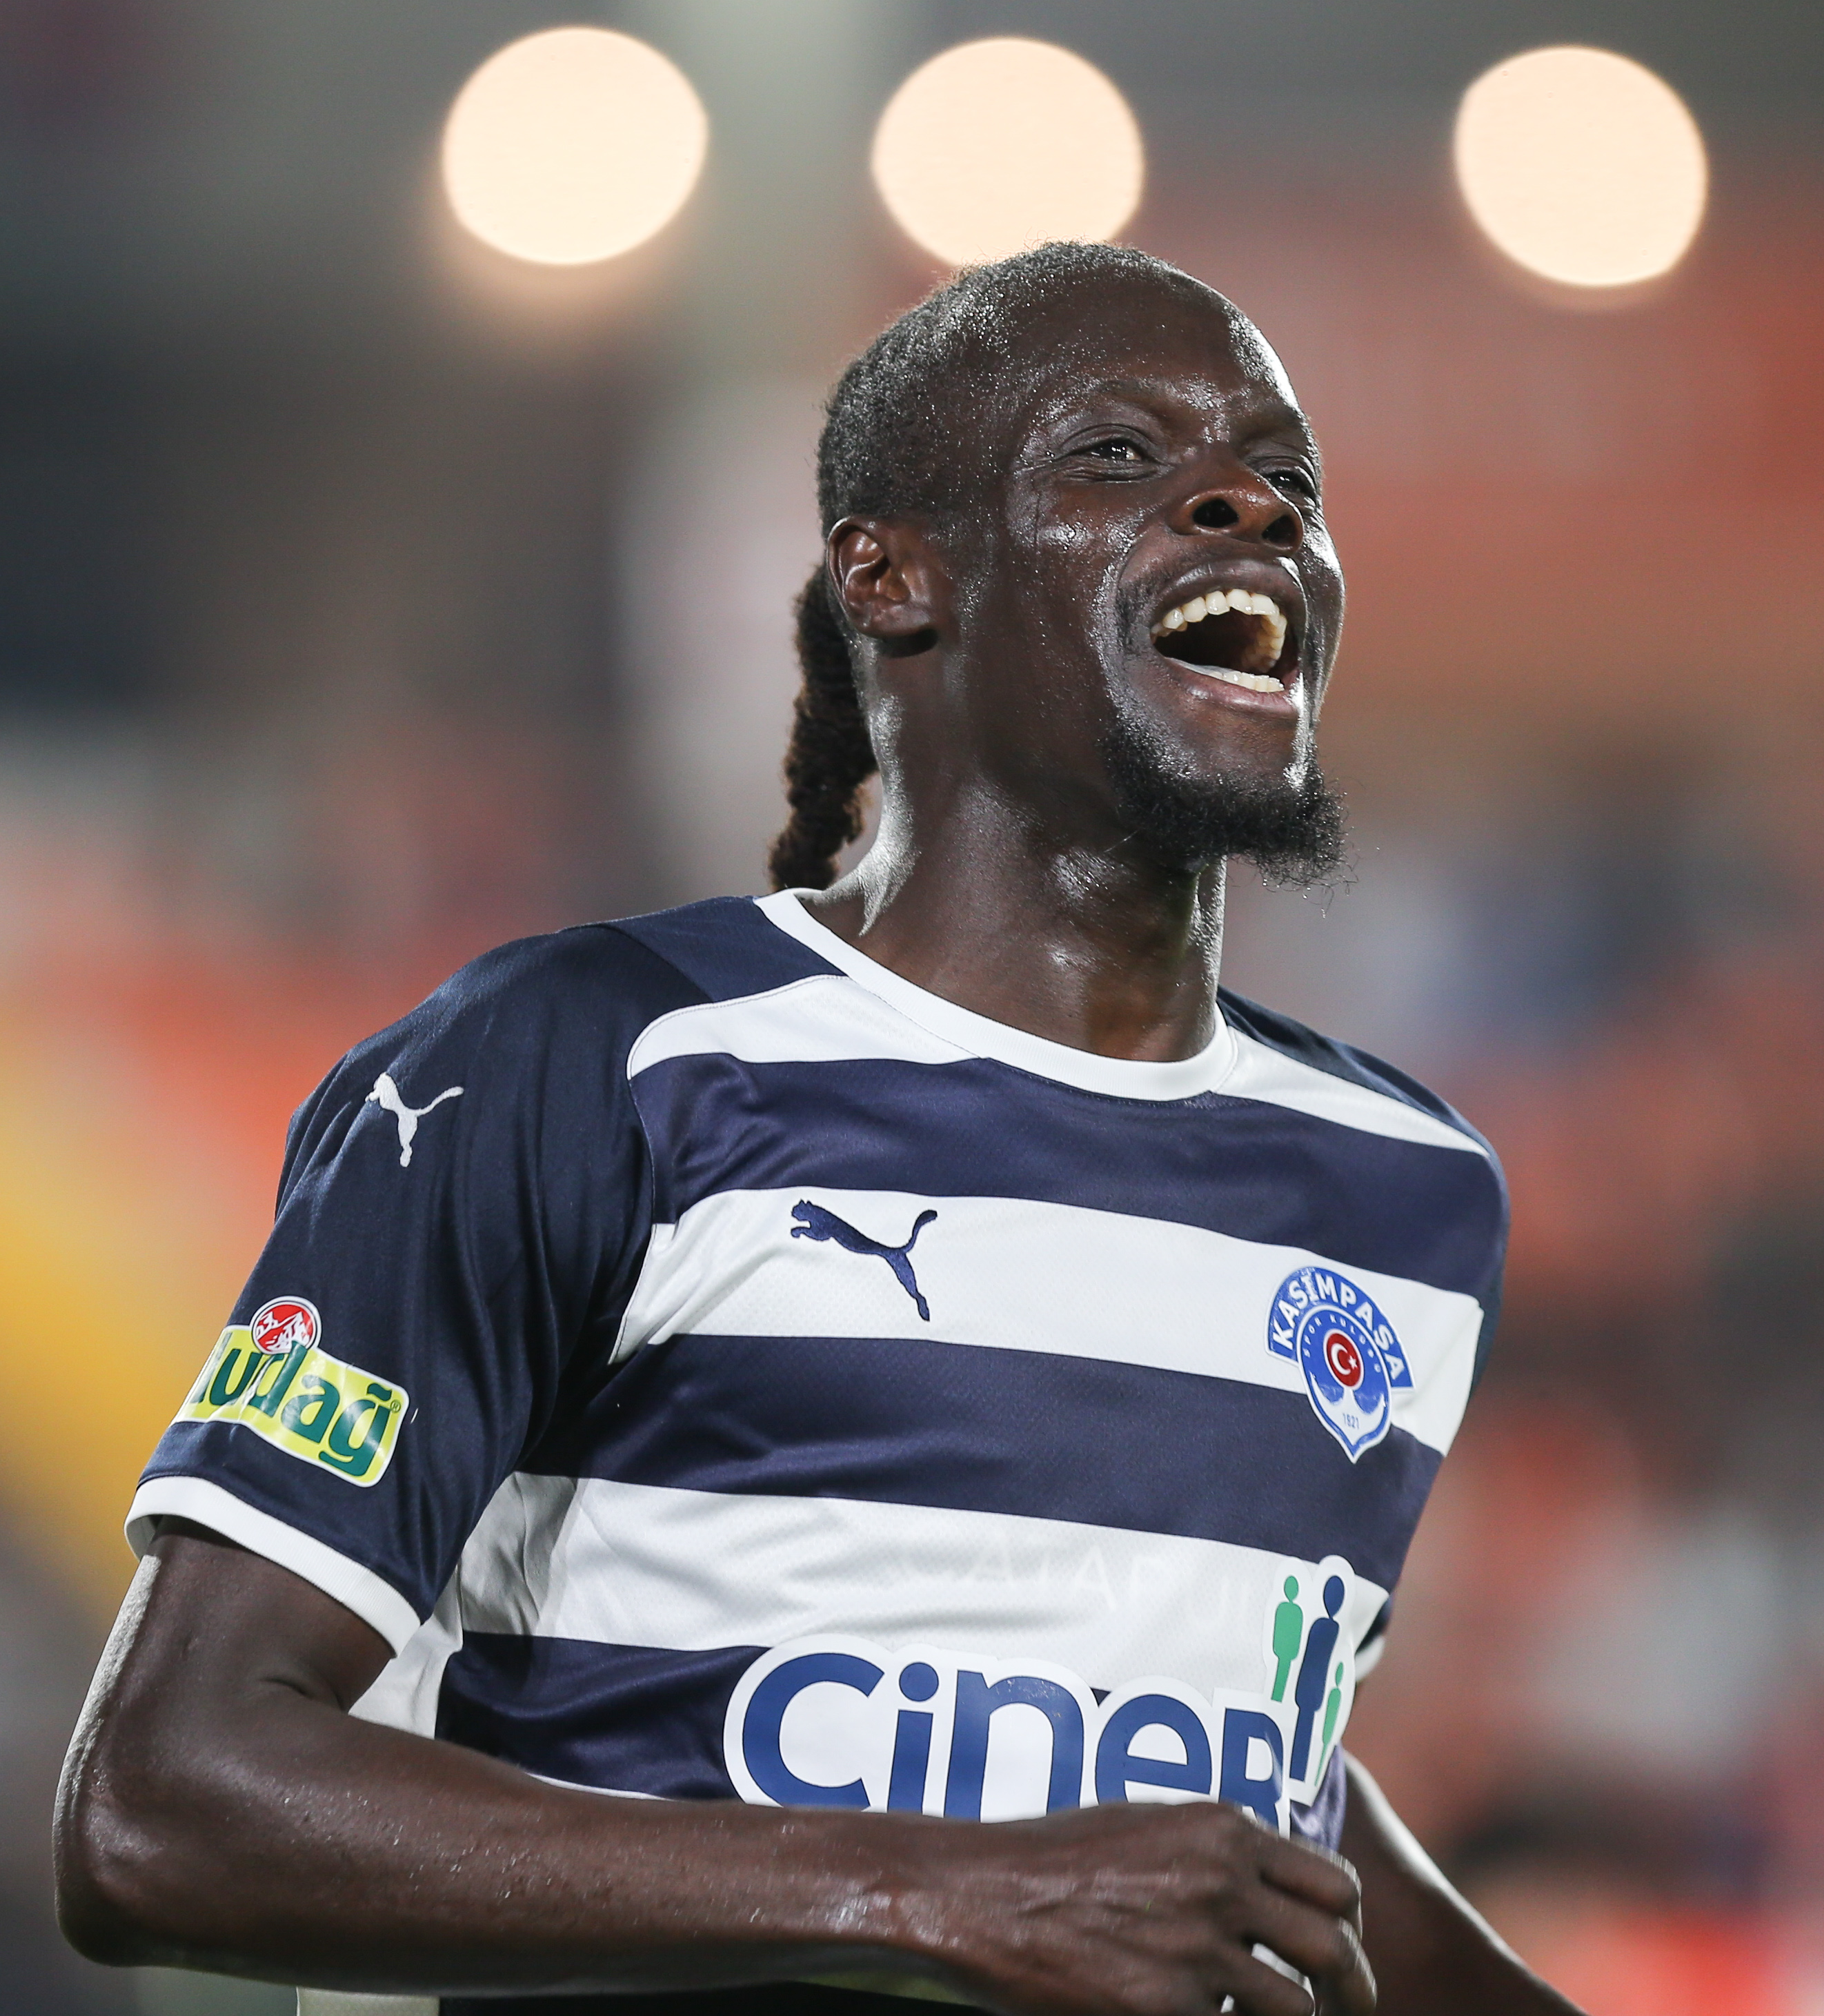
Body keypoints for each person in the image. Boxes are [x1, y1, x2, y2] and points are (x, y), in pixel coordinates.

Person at [56, 244, 1580, 2016]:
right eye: (1118, 456)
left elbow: (1259, 1806)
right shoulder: (590, 1063)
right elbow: (163, 1805)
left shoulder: (1408, 1197)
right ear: (892, 574)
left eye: (1284, 476)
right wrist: (926, 1892)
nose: (1252, 504)